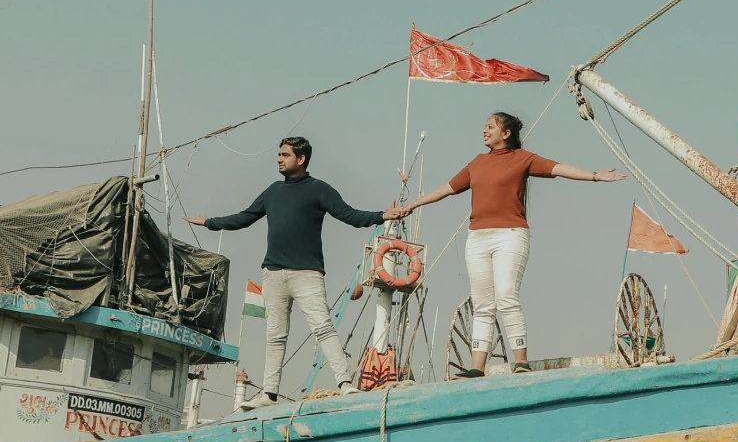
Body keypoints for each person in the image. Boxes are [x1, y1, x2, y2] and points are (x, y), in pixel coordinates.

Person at [387, 112, 622, 375]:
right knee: (483, 303)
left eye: (490, 127)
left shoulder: (523, 159)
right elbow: (447, 188)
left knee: (507, 295)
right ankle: (477, 367)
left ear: (506, 133)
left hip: (510, 235)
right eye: (484, 126)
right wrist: (413, 205)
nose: (484, 131)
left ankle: (520, 361)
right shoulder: (477, 162)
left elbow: (559, 168)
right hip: (477, 238)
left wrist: (594, 175)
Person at [189, 136, 386, 407]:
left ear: (301, 159)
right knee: (275, 335)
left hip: (307, 273)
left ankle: (345, 384)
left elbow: (349, 215)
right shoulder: (273, 191)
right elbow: (244, 217)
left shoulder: (319, 190)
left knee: (323, 328)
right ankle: (269, 394)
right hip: (273, 274)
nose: (279, 159)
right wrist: (210, 222)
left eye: (285, 155)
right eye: (279, 155)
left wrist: (383, 216)